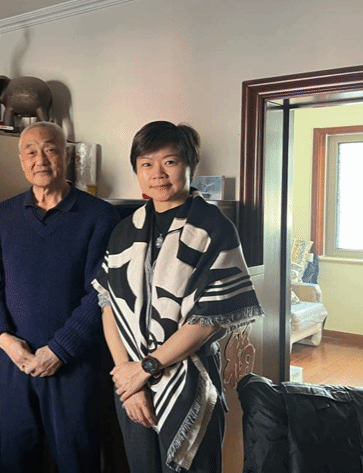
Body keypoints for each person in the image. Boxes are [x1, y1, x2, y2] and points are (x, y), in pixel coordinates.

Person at [92, 121, 263, 473]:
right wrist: (128, 379)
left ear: (190, 166)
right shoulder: (125, 230)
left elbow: (209, 320)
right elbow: (109, 305)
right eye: (146, 164)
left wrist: (146, 368)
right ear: (137, 170)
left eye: (169, 162)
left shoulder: (214, 227)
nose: (157, 173)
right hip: (132, 384)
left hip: (188, 380)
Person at [0, 121, 119, 472]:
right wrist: (5, 340)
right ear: (21, 160)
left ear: (66, 156)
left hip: (75, 364)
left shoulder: (100, 216)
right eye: (31, 151)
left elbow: (102, 292)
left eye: (50, 149)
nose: (40, 159)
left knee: (76, 460)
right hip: (14, 360)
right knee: (15, 458)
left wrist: (59, 350)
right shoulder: (2, 215)